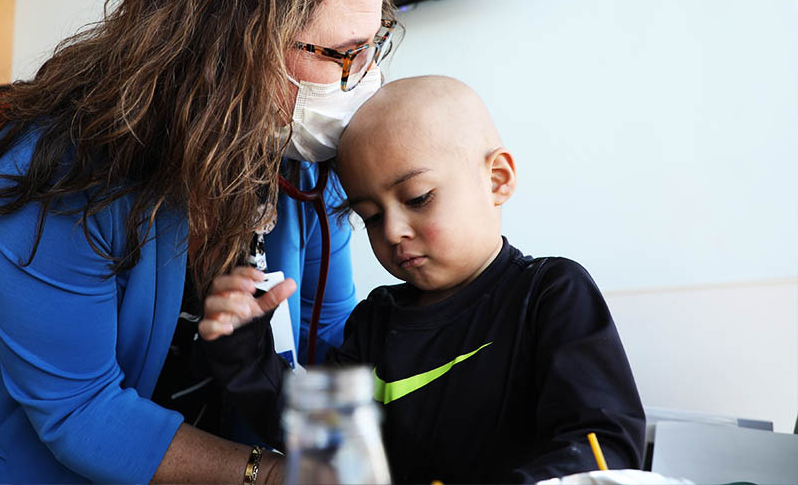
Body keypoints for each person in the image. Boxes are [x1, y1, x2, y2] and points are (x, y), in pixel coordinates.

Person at [0, 0, 404, 484]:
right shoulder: (62, 166)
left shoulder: (306, 167)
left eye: (371, 46)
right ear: (231, 44)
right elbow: (82, 413)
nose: (358, 80)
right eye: (339, 53)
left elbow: (325, 341)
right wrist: (280, 475)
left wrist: (354, 466)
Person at [200, 75, 647, 484]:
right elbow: (321, 442)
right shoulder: (375, 322)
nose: (392, 232)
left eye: (418, 198)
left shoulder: (551, 293)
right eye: (371, 217)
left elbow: (604, 443)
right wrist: (243, 349)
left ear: (497, 180)